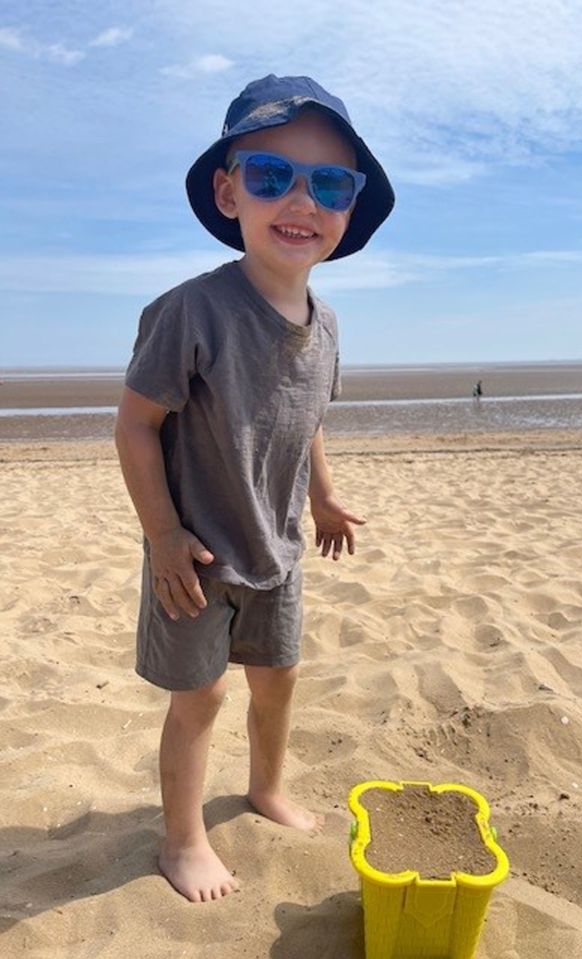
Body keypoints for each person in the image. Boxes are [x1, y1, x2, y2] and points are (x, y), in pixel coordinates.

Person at [114, 75, 394, 903]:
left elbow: (303, 419)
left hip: (279, 544)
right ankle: (183, 839)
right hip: (194, 551)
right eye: (273, 175)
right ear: (228, 191)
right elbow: (133, 425)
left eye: (330, 183)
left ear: (348, 210)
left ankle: (266, 787)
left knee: (278, 678)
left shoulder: (329, 323)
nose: (300, 199)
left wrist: (323, 498)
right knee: (199, 698)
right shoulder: (191, 312)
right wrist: (162, 535)